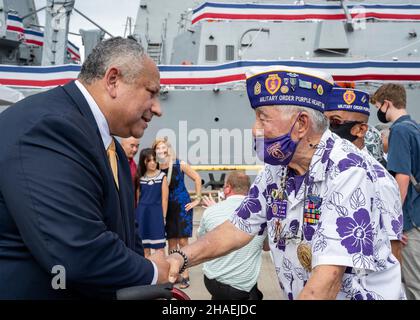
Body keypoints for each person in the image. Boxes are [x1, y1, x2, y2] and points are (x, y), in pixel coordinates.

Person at [166, 66, 405, 300]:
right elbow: (237, 227)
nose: (255, 129)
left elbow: (329, 278)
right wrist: (180, 257)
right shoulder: (277, 168)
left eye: (263, 118)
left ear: (301, 124)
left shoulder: (349, 171)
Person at [0, 37, 170, 299]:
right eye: (151, 92)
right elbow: (76, 249)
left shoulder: (108, 146)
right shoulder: (50, 128)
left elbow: (126, 233)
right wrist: (152, 272)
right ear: (113, 80)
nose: (158, 109)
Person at [324, 86, 403, 263]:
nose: (327, 131)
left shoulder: (379, 180)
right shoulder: (323, 169)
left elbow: (393, 250)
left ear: (360, 130)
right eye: (324, 122)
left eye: (335, 123)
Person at [371, 83, 420, 300]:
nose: (378, 112)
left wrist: (394, 223)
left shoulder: (399, 131)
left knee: (414, 284)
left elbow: (402, 178)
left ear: (386, 104)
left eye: (378, 106)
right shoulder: (415, 128)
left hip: (410, 221)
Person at [198, 172, 266, 300]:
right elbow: (266, 247)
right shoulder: (260, 214)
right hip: (242, 287)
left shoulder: (211, 211)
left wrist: (215, 209)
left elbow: (201, 242)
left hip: (212, 283)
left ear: (228, 188)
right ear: (249, 189)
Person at [152, 137, 202, 289]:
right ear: (155, 151)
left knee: (183, 242)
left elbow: (197, 178)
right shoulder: (155, 167)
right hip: (166, 207)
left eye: (163, 147)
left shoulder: (179, 164)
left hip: (182, 206)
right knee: (171, 242)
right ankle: (174, 272)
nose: (161, 151)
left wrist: (197, 199)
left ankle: (185, 273)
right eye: (158, 148)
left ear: (168, 149)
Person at [135, 148, 168, 258]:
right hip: (142, 215)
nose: (153, 163)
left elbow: (165, 199)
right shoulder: (140, 177)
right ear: (144, 161)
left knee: (159, 249)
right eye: (149, 160)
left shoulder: (162, 176)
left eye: (154, 160)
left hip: (156, 214)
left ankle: (162, 274)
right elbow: (137, 199)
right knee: (145, 249)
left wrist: (163, 217)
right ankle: (149, 274)